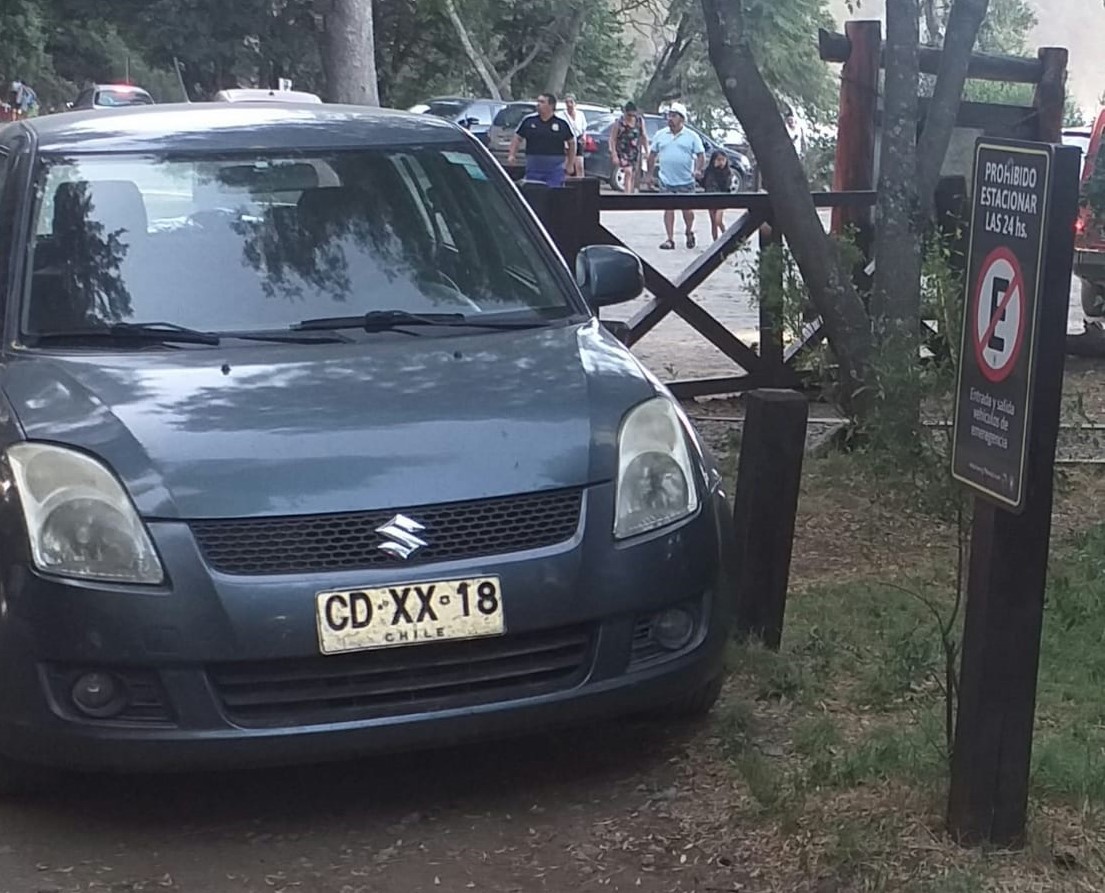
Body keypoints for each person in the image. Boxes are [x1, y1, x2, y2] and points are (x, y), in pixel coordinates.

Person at [646, 102, 705, 250]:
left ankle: (689, 230)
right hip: (666, 179)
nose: (670, 119)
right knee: (668, 208)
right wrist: (649, 175)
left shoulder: (692, 136)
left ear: (682, 119)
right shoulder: (661, 135)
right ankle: (670, 239)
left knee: (688, 210)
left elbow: (701, 155)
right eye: (669, 116)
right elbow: (652, 155)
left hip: (686, 180)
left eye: (674, 116)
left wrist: (698, 169)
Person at [507, 93, 576, 188]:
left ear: (551, 105)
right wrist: (512, 155)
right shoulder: (529, 121)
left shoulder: (561, 124)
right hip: (533, 165)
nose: (538, 104)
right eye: (538, 101)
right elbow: (517, 138)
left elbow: (572, 143)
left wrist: (570, 164)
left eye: (542, 102)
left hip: (555, 167)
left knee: (554, 193)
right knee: (533, 191)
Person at [609, 101, 648, 195]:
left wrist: (647, 150)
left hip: (634, 151)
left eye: (632, 115)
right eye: (628, 115)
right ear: (625, 112)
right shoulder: (619, 123)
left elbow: (644, 136)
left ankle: (630, 192)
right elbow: (612, 139)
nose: (630, 117)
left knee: (633, 174)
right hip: (623, 150)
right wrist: (614, 154)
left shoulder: (639, 121)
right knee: (628, 171)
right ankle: (627, 194)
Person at [700, 150, 733, 241]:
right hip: (710, 198)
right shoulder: (709, 171)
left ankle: (726, 237)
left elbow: (726, 186)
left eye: (723, 160)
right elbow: (704, 184)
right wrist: (698, 178)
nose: (721, 162)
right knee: (713, 222)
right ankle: (715, 241)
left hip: (722, 199)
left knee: (718, 220)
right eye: (718, 160)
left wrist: (721, 171)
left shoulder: (727, 172)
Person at [563, 93, 588, 178]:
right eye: (567, 102)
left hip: (578, 139)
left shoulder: (580, 114)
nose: (569, 105)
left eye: (571, 102)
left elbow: (584, 128)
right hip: (567, 140)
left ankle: (581, 185)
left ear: (575, 103)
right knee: (567, 164)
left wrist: (584, 137)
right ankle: (565, 184)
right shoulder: (562, 115)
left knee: (580, 165)